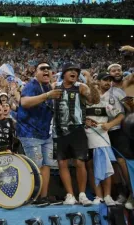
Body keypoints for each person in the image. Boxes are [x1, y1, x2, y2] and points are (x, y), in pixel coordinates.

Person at [16, 62, 62, 207]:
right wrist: (47, 95)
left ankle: (43, 196)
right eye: (42, 68)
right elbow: (24, 102)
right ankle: (32, 197)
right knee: (35, 166)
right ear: (36, 72)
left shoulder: (49, 87)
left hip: (45, 133)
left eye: (49, 68)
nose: (46, 70)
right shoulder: (31, 85)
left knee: (47, 165)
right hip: (29, 132)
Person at [52, 63, 92, 206]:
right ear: (64, 73)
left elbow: (94, 100)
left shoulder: (81, 87)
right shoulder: (54, 87)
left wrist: (90, 81)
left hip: (77, 129)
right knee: (62, 163)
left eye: (76, 71)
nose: (74, 72)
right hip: (58, 129)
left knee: (80, 162)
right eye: (71, 70)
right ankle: (70, 195)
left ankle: (82, 194)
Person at [85, 73, 118, 206]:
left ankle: (108, 195)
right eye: (90, 89)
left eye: (95, 89)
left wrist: (110, 124)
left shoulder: (106, 103)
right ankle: (98, 196)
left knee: (105, 167)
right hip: (86, 140)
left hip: (102, 139)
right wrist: (84, 120)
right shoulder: (82, 104)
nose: (93, 92)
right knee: (91, 167)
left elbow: (120, 115)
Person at [103, 63, 133, 205]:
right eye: (112, 71)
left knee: (123, 162)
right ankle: (123, 192)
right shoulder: (102, 92)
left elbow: (127, 111)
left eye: (118, 70)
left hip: (122, 130)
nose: (116, 72)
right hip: (107, 133)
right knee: (115, 163)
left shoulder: (124, 87)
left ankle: (131, 193)